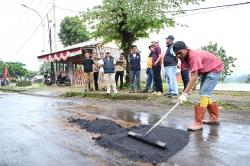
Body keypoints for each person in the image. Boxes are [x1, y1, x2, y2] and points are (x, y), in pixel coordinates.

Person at [174, 41, 224, 131]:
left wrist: (184, 94)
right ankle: (214, 118)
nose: (178, 55)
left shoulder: (193, 56)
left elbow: (194, 77)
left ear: (186, 49)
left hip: (215, 69)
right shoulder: (184, 57)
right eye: (176, 54)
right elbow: (192, 73)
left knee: (204, 93)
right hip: (206, 70)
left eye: (179, 53)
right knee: (205, 93)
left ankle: (198, 122)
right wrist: (190, 86)